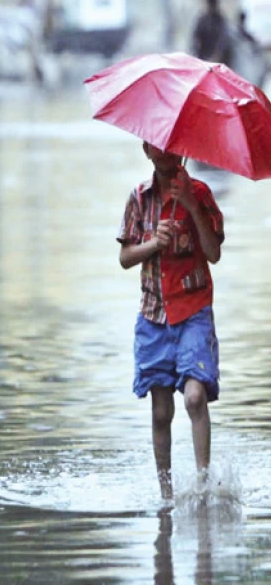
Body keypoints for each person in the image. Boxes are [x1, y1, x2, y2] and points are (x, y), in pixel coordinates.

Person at [117, 143, 223, 503]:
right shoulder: (139, 198)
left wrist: (192, 206)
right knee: (161, 410)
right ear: (147, 149)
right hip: (154, 316)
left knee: (195, 396)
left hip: (193, 311)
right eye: (159, 147)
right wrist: (152, 243)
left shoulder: (202, 193)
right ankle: (166, 495)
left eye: (174, 147)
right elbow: (125, 257)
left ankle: (204, 485)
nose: (167, 154)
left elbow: (213, 253)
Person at [192, 0, 233, 66]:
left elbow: (223, 40)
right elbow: (196, 39)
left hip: (218, 60)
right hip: (204, 57)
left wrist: (217, 55)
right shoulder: (203, 20)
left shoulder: (220, 20)